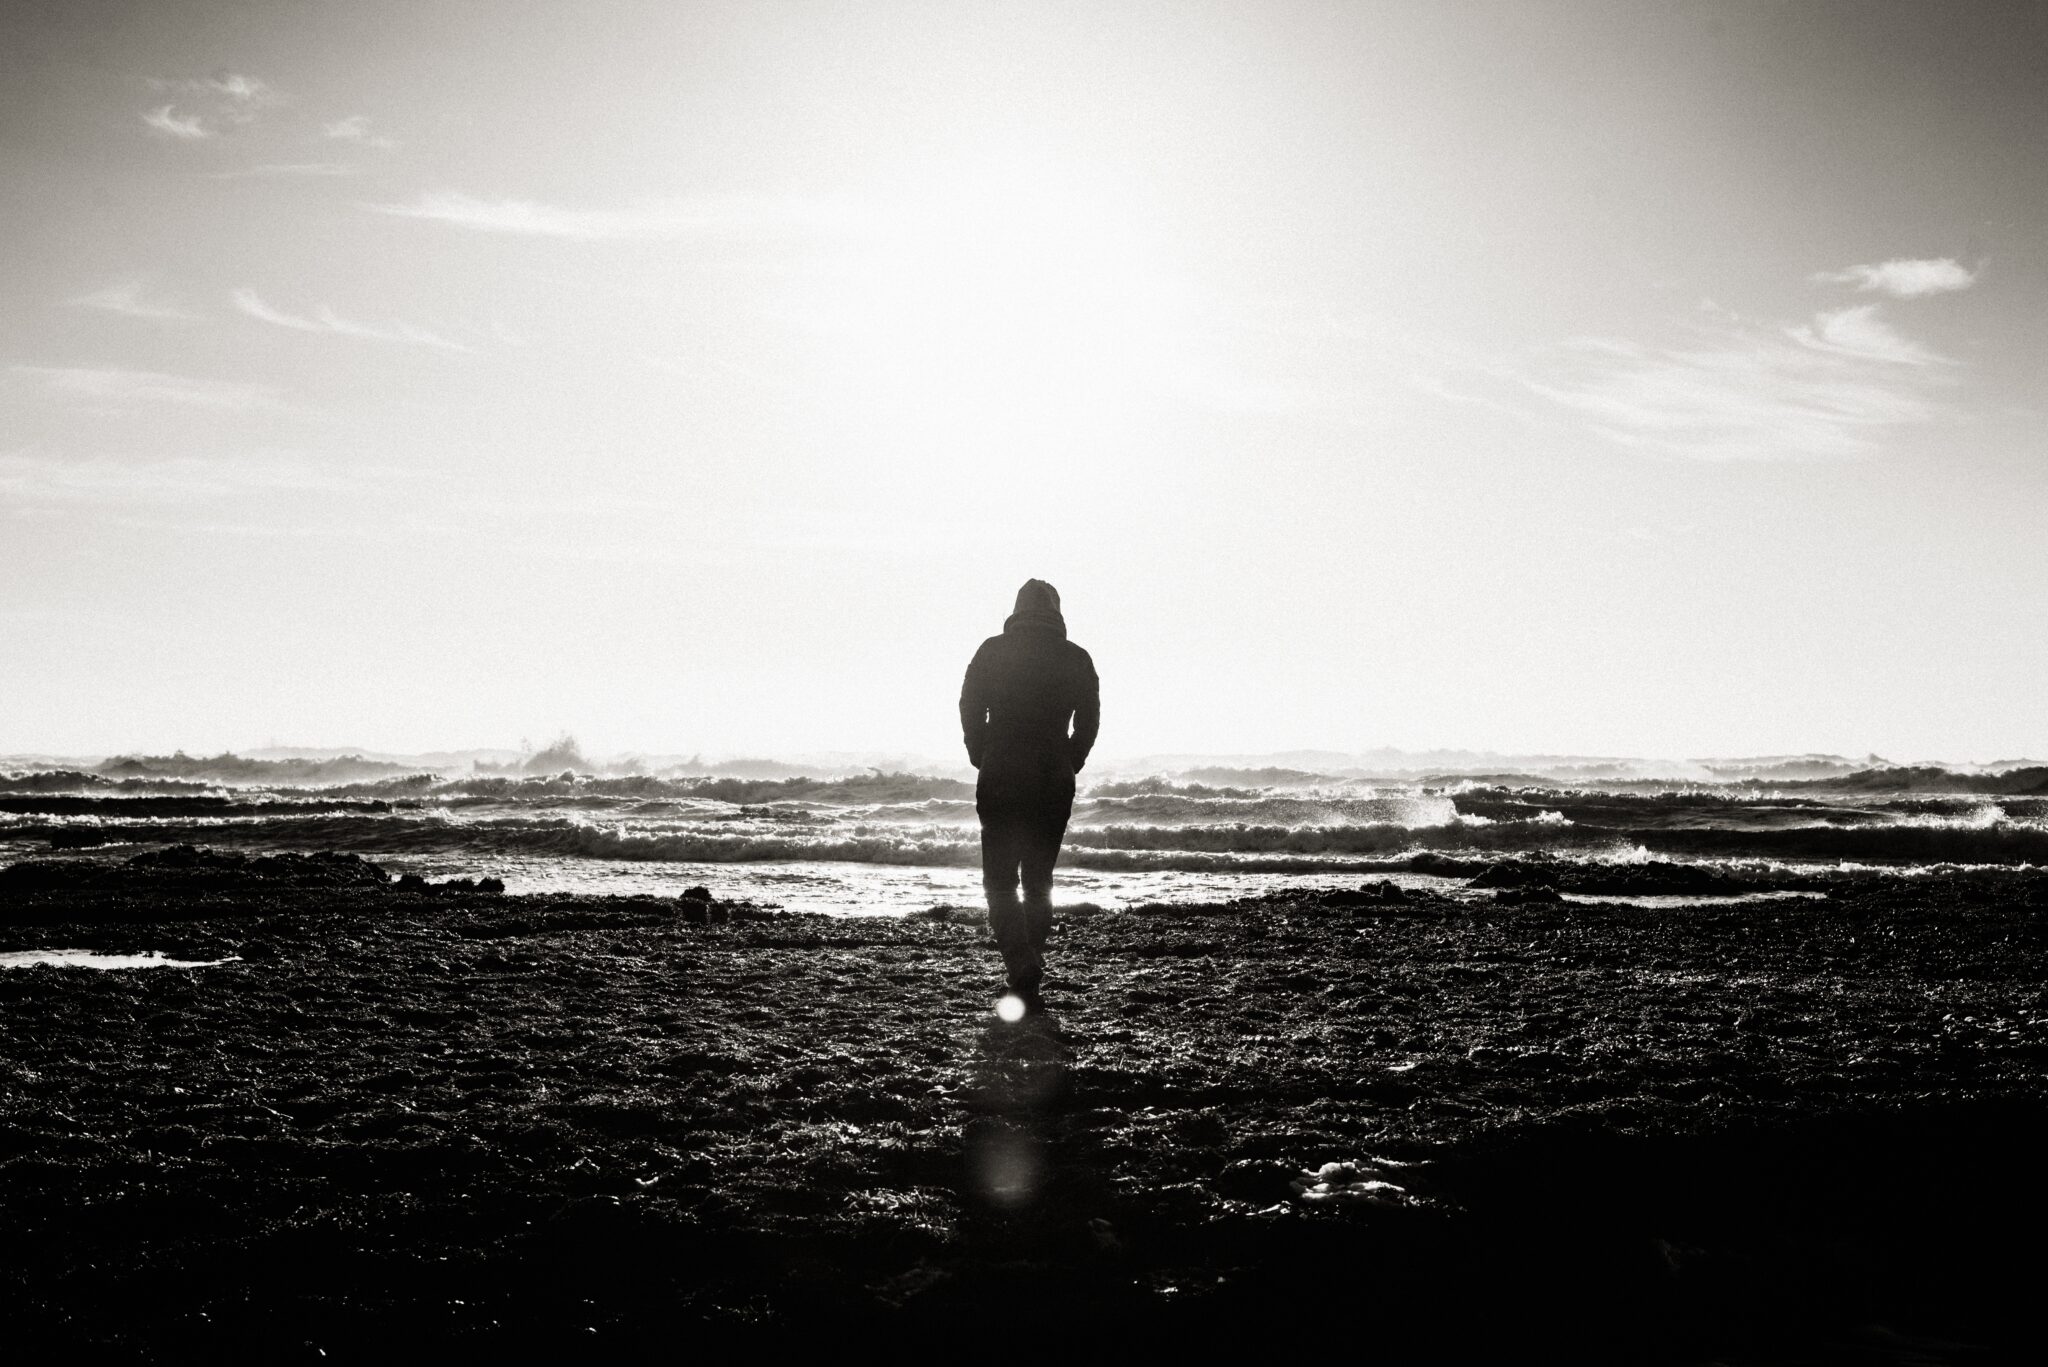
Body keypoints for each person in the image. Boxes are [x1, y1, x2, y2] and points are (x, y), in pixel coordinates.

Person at [958, 579, 1100, 1006]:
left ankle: (1021, 963)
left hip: (1001, 772)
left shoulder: (992, 650)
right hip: (1052, 777)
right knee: (1038, 881)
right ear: (1056, 610)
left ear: (1017, 609)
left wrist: (980, 751)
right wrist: (1069, 760)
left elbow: (969, 704)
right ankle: (1029, 962)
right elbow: (1089, 721)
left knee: (999, 881)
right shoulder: (1076, 657)